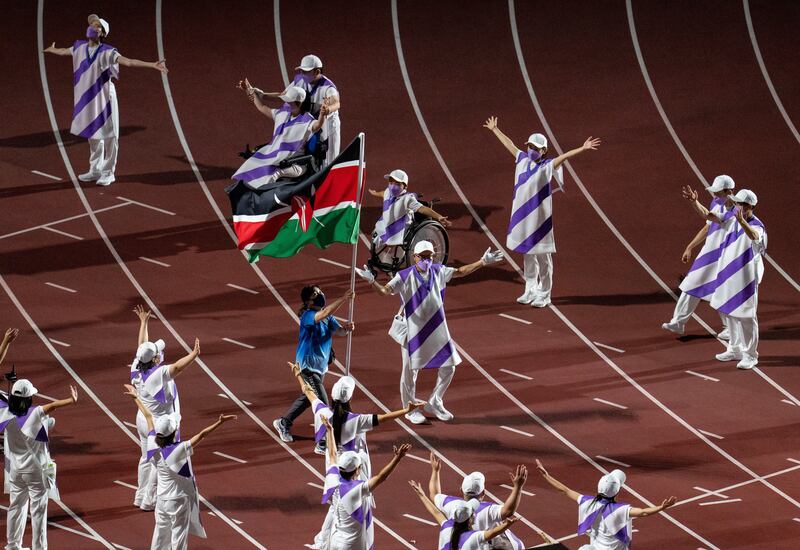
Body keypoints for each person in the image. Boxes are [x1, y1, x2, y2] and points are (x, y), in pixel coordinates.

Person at [357, 240, 503, 423]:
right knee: (410, 371)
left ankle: (435, 401)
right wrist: (372, 282)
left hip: (437, 327)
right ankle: (409, 409)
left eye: (430, 256)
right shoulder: (404, 276)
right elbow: (385, 291)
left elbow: (459, 272)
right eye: (423, 256)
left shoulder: (438, 271)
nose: (427, 259)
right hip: (414, 330)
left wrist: (482, 262)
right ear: (415, 257)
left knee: (449, 366)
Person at [483, 117, 601, 307]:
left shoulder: (547, 167)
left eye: (536, 148)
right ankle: (530, 289)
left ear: (544, 151)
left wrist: (583, 148)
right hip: (523, 218)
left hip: (539, 221)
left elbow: (564, 157)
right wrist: (495, 129)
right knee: (528, 255)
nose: (532, 150)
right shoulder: (521, 160)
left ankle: (545, 294)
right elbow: (509, 144)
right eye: (530, 146)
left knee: (543, 258)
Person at [43, 14, 168, 186]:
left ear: (102, 33)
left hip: (104, 96)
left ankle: (108, 172)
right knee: (92, 134)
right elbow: (65, 51)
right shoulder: (79, 47)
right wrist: (53, 50)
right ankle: (95, 169)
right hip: (87, 97)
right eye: (91, 24)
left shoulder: (108, 52)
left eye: (97, 26)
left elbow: (129, 62)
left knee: (110, 135)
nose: (92, 27)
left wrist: (151, 64)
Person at [124, 384, 236, 550]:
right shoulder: (178, 450)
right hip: (178, 500)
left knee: (161, 533)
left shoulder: (154, 444)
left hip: (161, 499)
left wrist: (136, 397)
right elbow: (201, 435)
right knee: (179, 535)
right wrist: (218, 423)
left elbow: (148, 417)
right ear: (172, 432)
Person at [130, 305, 201, 511]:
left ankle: (140, 495)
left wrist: (143, 322)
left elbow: (142, 346)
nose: (162, 355)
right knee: (159, 462)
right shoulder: (157, 375)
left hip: (142, 418)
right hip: (158, 423)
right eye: (159, 353)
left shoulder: (137, 367)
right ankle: (149, 500)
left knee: (146, 458)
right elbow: (177, 367)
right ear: (154, 359)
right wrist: (194, 354)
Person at [1, 380, 78, 550]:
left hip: (15, 470)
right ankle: (39, 547)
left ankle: (12, 545)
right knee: (38, 512)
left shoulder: (4, 413)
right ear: (29, 398)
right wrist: (71, 400)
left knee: (16, 507)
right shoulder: (35, 414)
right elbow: (51, 406)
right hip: (35, 472)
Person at [535, 459, 677, 550]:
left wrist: (546, 476)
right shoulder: (620, 510)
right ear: (616, 492)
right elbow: (643, 512)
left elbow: (565, 490)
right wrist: (662, 507)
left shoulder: (588, 503)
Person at [273, 286, 355, 443]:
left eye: (320, 292)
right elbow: (323, 313)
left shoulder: (328, 318)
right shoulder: (308, 315)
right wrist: (344, 298)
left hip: (320, 367)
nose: (321, 295)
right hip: (307, 366)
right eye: (316, 294)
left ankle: (284, 422)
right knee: (322, 403)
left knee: (307, 398)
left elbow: (340, 332)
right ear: (308, 302)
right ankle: (324, 440)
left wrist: (347, 329)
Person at [319, 415, 411, 550]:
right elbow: (381, 477)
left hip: (335, 540)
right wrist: (397, 459)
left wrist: (330, 430)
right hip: (351, 545)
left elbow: (333, 454)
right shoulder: (355, 489)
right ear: (356, 470)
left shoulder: (334, 478)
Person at [662, 175, 736, 338]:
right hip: (709, 253)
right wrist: (690, 247)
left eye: (718, 192)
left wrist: (694, 202)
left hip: (724, 256)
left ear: (729, 191)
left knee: (721, 291)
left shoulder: (735, 210)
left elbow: (709, 216)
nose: (715, 195)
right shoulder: (716, 202)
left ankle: (730, 329)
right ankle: (678, 322)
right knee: (691, 284)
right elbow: (707, 226)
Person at [707, 189, 767, 370]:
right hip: (729, 273)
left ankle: (750, 355)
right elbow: (711, 216)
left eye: (742, 204)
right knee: (730, 312)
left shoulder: (757, 226)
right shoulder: (732, 218)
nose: (738, 206)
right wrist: (694, 203)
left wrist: (742, 223)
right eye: (737, 203)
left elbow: (755, 237)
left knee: (747, 316)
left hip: (746, 277)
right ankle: (735, 349)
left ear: (751, 206)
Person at [233, 81, 329, 189]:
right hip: (276, 158)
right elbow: (262, 107)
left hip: (295, 164)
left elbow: (317, 125)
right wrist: (249, 90)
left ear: (298, 103)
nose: (286, 103)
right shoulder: (283, 114)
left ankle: (263, 200)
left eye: (289, 101)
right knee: (251, 164)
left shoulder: (307, 121)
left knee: (272, 174)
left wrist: (322, 114)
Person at [428, 453, 527, 549]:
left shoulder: (453, 505)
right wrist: (518, 487)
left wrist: (435, 471)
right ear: (483, 493)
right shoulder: (488, 510)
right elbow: (508, 511)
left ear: (461, 490)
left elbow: (434, 495)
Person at [408, 480, 518, 550]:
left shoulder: (447, 527)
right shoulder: (472, 537)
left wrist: (421, 494)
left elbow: (435, 512)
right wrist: (507, 525)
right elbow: (493, 532)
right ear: (470, 519)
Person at [368, 169, 451, 247]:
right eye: (391, 183)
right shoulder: (387, 192)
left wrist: (439, 217)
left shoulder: (407, 199)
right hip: (384, 224)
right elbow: (382, 193)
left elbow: (422, 209)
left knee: (389, 243)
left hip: (399, 229)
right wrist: (375, 193)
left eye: (397, 184)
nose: (393, 186)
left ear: (405, 186)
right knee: (375, 238)